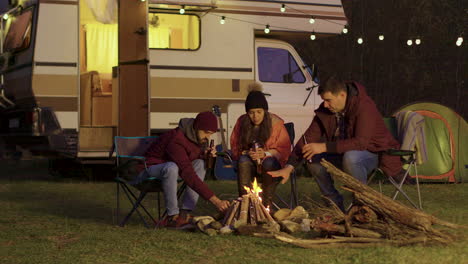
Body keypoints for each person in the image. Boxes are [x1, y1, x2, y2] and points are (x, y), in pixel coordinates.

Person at [268, 76, 402, 212]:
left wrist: (324, 147)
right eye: (324, 100)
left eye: (328, 100)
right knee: (313, 158)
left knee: (351, 157)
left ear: (342, 95)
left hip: (375, 153)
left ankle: (361, 206)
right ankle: (335, 207)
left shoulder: (364, 106)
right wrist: (289, 167)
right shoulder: (327, 110)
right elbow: (307, 139)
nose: (325, 104)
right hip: (344, 153)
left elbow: (361, 143)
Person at [137, 111, 230, 228]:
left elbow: (191, 157)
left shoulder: (197, 138)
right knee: (172, 167)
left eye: (210, 134)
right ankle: (172, 217)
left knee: (200, 164)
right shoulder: (176, 139)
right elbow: (187, 172)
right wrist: (216, 201)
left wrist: (204, 155)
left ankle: (185, 213)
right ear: (197, 128)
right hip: (148, 170)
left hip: (172, 171)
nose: (208, 137)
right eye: (206, 133)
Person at [230, 83, 291, 208]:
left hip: (271, 164)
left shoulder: (275, 123)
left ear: (265, 111)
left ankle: (266, 205)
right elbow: (236, 146)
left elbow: (283, 150)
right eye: (251, 112)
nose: (255, 116)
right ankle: (245, 204)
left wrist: (265, 153)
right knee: (243, 161)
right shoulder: (242, 122)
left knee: (268, 162)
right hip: (250, 163)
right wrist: (247, 153)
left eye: (259, 112)